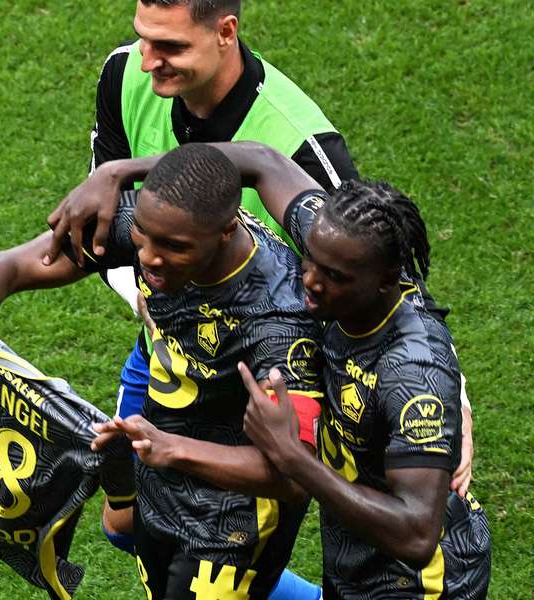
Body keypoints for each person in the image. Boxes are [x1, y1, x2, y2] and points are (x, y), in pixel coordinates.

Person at [0, 144, 326, 599]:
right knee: (129, 544)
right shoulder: (153, 229)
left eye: (173, 248)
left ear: (227, 231)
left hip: (236, 518)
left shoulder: (278, 321)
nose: (149, 259)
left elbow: (297, 475)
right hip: (161, 473)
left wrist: (171, 449)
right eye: (142, 238)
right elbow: (21, 262)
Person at [41, 2, 358, 573]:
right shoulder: (124, 77)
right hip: (171, 348)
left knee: (230, 545)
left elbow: (376, 283)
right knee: (126, 525)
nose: (147, 61)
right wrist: (139, 283)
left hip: (264, 375)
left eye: (169, 48)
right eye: (143, 39)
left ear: (226, 32)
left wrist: (443, 392)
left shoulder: (302, 148)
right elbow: (108, 223)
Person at [215, 141, 490, 598]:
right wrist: (118, 175)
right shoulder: (337, 244)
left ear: (388, 279)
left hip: (416, 583)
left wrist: (292, 457)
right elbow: (261, 162)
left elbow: (417, 535)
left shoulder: (411, 369)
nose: (311, 282)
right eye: (310, 261)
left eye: (335, 276)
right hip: (354, 556)